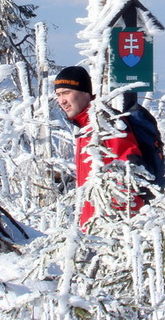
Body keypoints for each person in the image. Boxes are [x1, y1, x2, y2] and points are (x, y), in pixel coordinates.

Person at [54, 65, 145, 226]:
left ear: (85, 93)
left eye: (67, 93)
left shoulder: (106, 123)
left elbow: (127, 173)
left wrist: (116, 226)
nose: (62, 101)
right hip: (92, 228)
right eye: (58, 95)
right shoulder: (85, 126)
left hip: (112, 229)